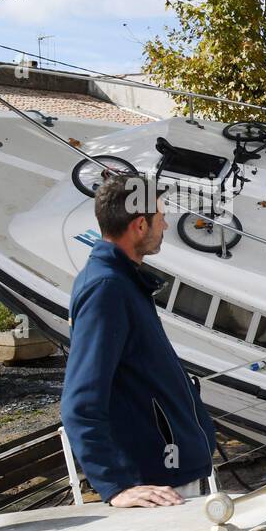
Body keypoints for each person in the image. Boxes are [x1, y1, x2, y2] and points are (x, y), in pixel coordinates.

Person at [62, 174, 216, 507]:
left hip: (172, 473)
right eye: (161, 218)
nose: (167, 225)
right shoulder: (107, 288)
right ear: (140, 226)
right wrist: (116, 485)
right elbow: (80, 402)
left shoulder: (123, 280)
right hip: (161, 484)